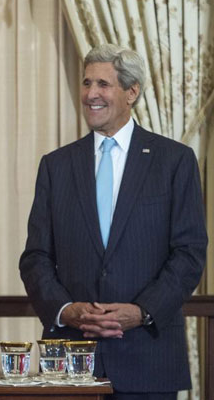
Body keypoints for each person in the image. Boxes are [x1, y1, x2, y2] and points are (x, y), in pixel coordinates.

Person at [20, 44, 207, 399]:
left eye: (103, 85)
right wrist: (65, 310)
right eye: (87, 83)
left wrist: (142, 311)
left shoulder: (174, 160)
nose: (92, 94)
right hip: (71, 361)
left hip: (147, 357)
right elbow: (36, 257)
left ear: (131, 92)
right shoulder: (56, 166)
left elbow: (189, 252)